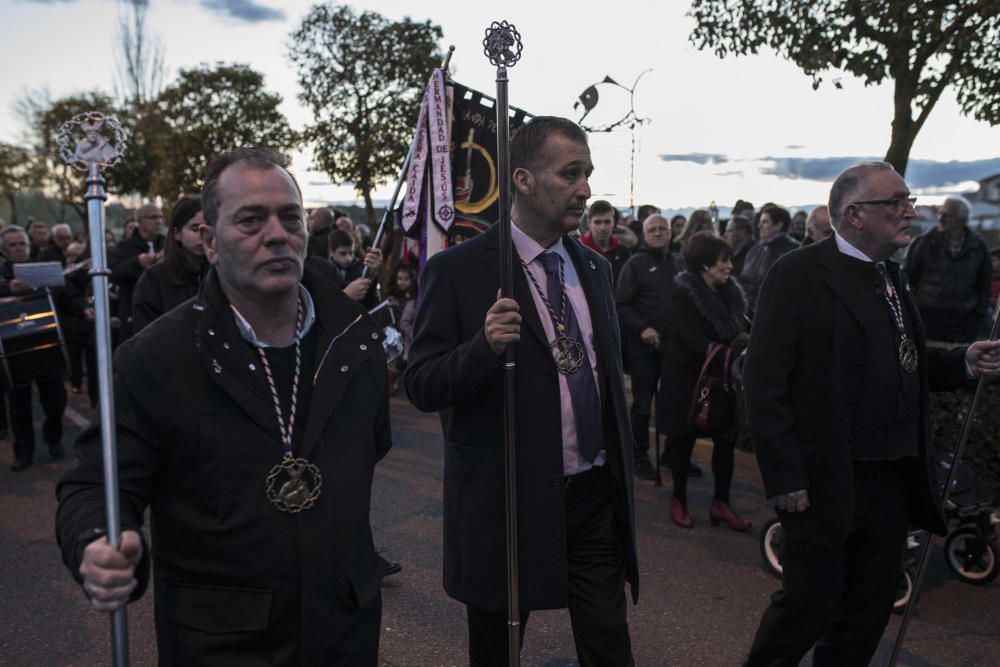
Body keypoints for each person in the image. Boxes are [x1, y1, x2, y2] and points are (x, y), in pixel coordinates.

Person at [55, 147, 391, 665]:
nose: (276, 234)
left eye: (289, 217)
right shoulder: (155, 358)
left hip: (343, 627)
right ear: (209, 242)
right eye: (251, 220)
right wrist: (97, 540)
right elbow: (95, 483)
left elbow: (373, 445)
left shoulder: (355, 338)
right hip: (223, 642)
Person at [742, 162, 1000, 666]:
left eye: (910, 201)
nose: (910, 211)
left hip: (893, 479)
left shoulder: (891, 275)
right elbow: (764, 382)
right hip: (825, 478)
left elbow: (902, 358)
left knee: (867, 611)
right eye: (897, 202)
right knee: (807, 609)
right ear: (855, 214)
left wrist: (960, 361)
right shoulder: (797, 274)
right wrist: (785, 473)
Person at [405, 116, 638, 667]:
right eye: (571, 173)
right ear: (524, 179)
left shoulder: (596, 270)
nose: (585, 188)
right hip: (507, 498)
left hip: (593, 497)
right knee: (498, 650)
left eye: (588, 174)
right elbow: (421, 383)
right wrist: (482, 348)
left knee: (610, 647)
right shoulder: (458, 271)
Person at [656, 231, 750, 530]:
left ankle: (721, 503)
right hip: (687, 381)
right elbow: (695, 341)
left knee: (725, 440)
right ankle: (678, 499)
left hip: (721, 381)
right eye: (724, 261)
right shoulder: (684, 293)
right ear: (706, 265)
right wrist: (736, 350)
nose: (730, 266)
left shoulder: (730, 293)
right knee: (683, 442)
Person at [616, 214, 684, 480]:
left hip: (674, 348)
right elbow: (621, 305)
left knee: (674, 404)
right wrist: (642, 327)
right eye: (652, 229)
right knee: (643, 406)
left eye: (662, 229)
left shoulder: (679, 262)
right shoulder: (635, 264)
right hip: (644, 347)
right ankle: (639, 456)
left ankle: (671, 456)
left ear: (670, 233)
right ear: (644, 234)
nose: (658, 233)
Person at [0, 226, 68, 471]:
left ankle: (54, 438)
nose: (19, 249)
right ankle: (24, 453)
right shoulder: (2, 274)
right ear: (3, 250)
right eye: (14, 245)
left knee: (56, 399)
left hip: (45, 344)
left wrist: (83, 306)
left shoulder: (42, 268)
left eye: (23, 244)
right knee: (19, 404)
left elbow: (65, 293)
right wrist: (8, 289)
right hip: (13, 348)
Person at [904, 195, 992, 342]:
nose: (941, 218)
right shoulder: (924, 243)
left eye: (948, 215)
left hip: (964, 324)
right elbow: (908, 278)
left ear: (962, 220)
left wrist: (978, 315)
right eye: (940, 213)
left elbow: (984, 284)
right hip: (928, 321)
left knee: (958, 362)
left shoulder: (977, 246)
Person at [132, 195, 208, 334]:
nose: (203, 235)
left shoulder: (222, 273)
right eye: (195, 228)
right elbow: (146, 337)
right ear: (177, 233)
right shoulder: (154, 279)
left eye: (208, 227)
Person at [108, 203, 165, 339]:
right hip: (133, 311)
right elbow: (113, 274)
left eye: (160, 217)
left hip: (162, 308)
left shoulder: (166, 243)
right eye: (153, 217)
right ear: (139, 221)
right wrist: (136, 262)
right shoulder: (124, 247)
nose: (158, 221)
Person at [739, 205, 800, 313]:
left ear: (778, 225)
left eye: (765, 222)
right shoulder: (755, 250)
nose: (759, 226)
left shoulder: (793, 250)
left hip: (775, 313)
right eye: (760, 221)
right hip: (749, 311)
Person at [328, 229, 382, 309]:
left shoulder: (360, 267)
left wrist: (371, 275)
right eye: (343, 253)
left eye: (351, 253)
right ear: (331, 251)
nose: (348, 258)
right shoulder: (325, 271)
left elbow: (370, 300)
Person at [581, 200, 630, 283]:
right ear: (589, 223)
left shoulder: (623, 251)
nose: (602, 228)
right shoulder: (578, 250)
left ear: (613, 223)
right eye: (597, 222)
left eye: (607, 222)